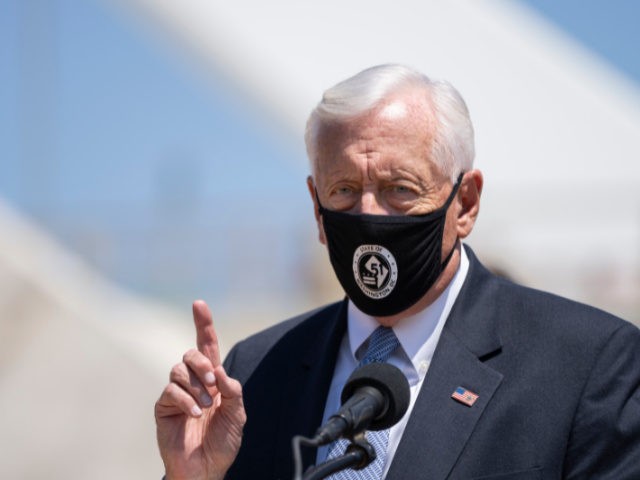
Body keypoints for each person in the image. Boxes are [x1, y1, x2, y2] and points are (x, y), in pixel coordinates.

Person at [155, 64, 640, 479]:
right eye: (343, 190)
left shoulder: (588, 367)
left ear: (465, 203)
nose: (371, 216)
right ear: (317, 208)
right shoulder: (255, 374)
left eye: (400, 189)